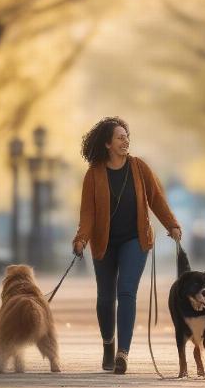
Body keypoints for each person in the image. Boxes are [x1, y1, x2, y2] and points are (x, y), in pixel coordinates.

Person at [73, 116, 182, 374]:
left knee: (126, 292)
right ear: (108, 144)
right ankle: (108, 343)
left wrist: (172, 225)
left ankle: (123, 353)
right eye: (120, 137)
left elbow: (156, 199)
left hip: (135, 239)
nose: (125, 141)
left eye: (126, 137)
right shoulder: (94, 174)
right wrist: (80, 239)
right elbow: (88, 214)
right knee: (105, 298)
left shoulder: (139, 167)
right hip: (103, 242)